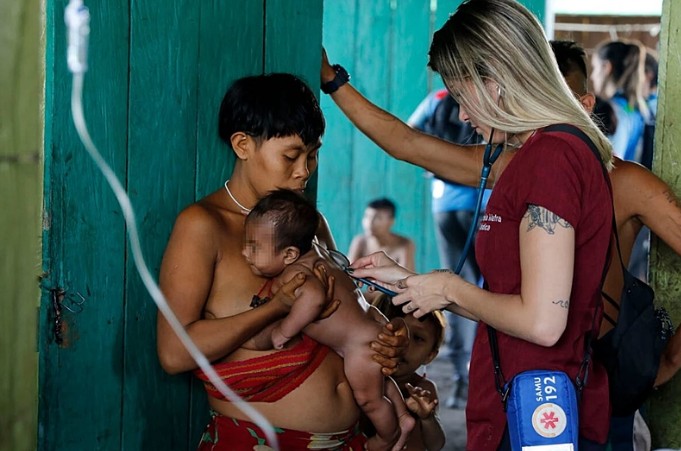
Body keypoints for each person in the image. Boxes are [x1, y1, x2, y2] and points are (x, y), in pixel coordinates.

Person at [324, 1, 616, 449]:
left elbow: (542, 323)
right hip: (511, 397)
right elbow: (506, 303)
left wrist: (448, 287)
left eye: (461, 95)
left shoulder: (553, 159)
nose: (461, 115)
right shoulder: (532, 156)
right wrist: (409, 281)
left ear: (496, 81)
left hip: (540, 408)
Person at [156, 73, 408, 450]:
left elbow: (345, 317)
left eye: (313, 154)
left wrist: (384, 338)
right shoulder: (203, 226)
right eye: (291, 156)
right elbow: (174, 353)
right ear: (242, 145)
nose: (304, 170)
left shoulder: (309, 224)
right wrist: (273, 309)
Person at [242, 189, 414, 451]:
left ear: (289, 254)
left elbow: (312, 299)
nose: (245, 253)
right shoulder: (321, 254)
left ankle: (388, 436)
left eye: (254, 247)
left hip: (359, 346)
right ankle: (402, 416)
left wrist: (283, 332)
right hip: (371, 329)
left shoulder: (295, 272)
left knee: (370, 401)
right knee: (378, 384)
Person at [407, 89, 482, 409]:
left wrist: (435, 166)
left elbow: (409, 131)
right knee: (485, 291)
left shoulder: (437, 97)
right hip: (481, 203)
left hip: (444, 203)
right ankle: (481, 376)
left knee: (458, 287)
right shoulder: (488, 95)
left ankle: (461, 383)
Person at [372, 294, 447, 451]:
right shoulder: (358, 381)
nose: (404, 343)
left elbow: (436, 445)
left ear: (430, 355)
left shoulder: (424, 390)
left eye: (418, 338)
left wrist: (427, 418)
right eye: (394, 330)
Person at [590, 39, 650, 162]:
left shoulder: (614, 111)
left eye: (594, 68)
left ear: (606, 67)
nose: (592, 76)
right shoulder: (637, 107)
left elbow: (613, 163)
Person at [348, 197, 415, 271]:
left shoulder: (404, 244)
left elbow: (407, 278)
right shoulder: (360, 242)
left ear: (391, 221)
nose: (370, 223)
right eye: (367, 216)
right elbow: (348, 273)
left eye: (378, 218)